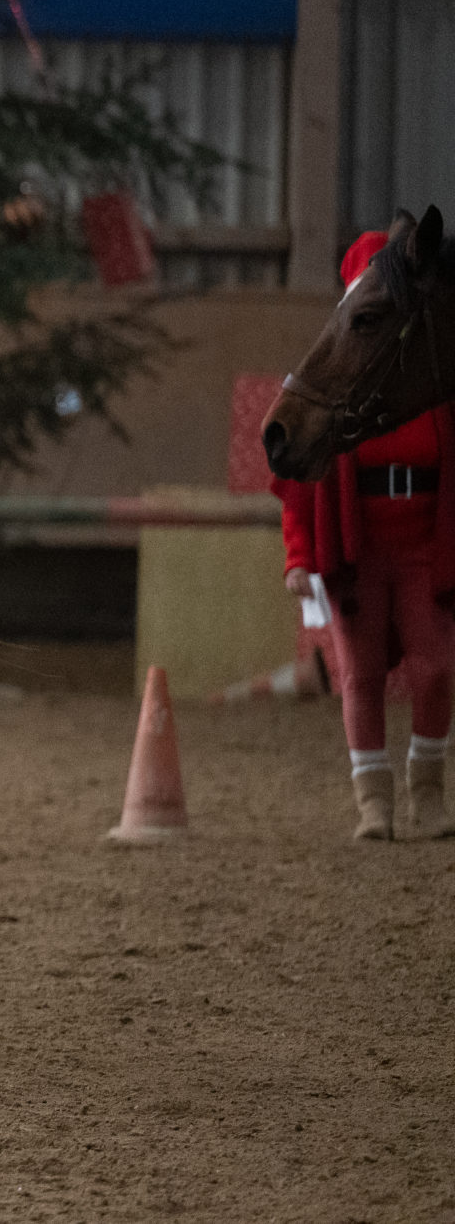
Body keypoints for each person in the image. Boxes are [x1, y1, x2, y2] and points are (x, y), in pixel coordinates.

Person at [278, 229, 455, 841]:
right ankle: (373, 801)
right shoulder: (343, 384)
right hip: (359, 547)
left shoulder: (425, 377)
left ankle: (427, 791)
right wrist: (299, 556)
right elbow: (300, 487)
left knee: (436, 670)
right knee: (361, 675)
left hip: (423, 545)